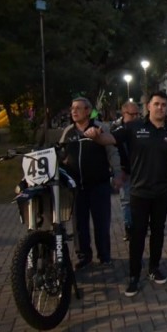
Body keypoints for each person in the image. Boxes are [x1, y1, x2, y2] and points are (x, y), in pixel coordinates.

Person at [86, 90, 167, 297]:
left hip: (163, 191)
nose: (160, 107)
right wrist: (96, 135)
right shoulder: (134, 127)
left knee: (158, 232)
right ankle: (133, 276)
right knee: (138, 235)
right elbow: (109, 139)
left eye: (164, 105)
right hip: (140, 191)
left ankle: (154, 268)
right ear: (149, 106)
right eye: (156, 104)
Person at [60, 97, 120, 269]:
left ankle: (104, 255)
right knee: (79, 224)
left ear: (88, 111)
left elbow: (112, 152)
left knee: (101, 223)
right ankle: (84, 256)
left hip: (98, 184)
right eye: (72, 108)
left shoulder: (100, 128)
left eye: (78, 108)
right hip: (76, 187)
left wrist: (117, 173)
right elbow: (61, 154)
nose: (74, 111)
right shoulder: (69, 132)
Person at [112, 101, 140, 243]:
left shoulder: (141, 127)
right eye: (132, 114)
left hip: (140, 170)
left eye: (137, 114)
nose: (136, 117)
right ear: (124, 114)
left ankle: (140, 225)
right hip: (125, 170)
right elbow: (113, 151)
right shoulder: (116, 130)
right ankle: (129, 227)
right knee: (126, 201)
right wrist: (119, 170)